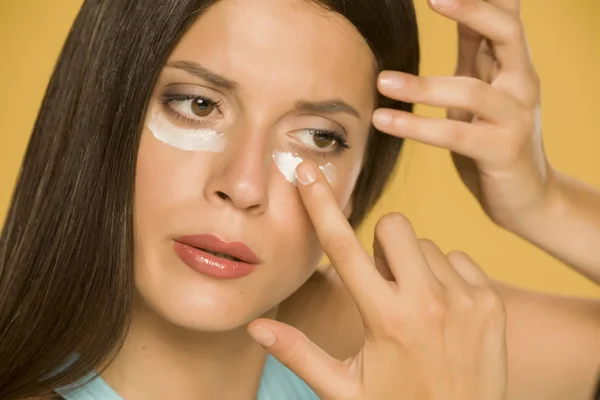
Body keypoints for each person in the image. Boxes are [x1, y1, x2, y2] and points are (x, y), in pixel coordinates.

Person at [0, 1, 596, 400]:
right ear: (102, 107)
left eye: (317, 138)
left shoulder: (361, 340)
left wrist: (545, 204)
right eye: (199, 105)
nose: (244, 186)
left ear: (361, 176)